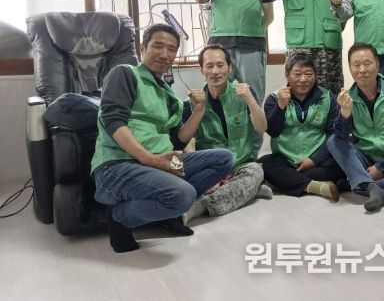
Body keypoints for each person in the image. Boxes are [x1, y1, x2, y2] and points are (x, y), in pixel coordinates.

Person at [91, 24, 233, 253]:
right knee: (183, 194)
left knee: (223, 159)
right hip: (120, 164)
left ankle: (169, 212)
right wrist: (151, 160)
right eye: (158, 46)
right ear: (142, 48)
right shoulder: (125, 74)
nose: (165, 54)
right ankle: (119, 218)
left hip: (160, 161)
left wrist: (199, 110)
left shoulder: (167, 92)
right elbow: (113, 121)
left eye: (172, 49)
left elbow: (178, 140)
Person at [193, 0, 273, 158]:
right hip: (220, 46)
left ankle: (252, 156)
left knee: (252, 100)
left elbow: (268, 13)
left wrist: (255, 30)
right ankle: (222, 152)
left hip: (251, 46)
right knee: (219, 100)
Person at [181, 44, 273, 224]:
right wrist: (203, 171)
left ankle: (201, 206)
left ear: (229, 67)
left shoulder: (244, 93)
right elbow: (188, 141)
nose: (215, 71)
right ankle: (249, 190)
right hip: (211, 165)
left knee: (256, 171)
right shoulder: (191, 102)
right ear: (201, 70)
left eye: (220, 65)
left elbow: (262, 128)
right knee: (186, 181)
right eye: (209, 66)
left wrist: (251, 101)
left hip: (241, 163)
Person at [327, 43, 384, 212]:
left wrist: (381, 167)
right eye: (356, 65)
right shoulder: (347, 97)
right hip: (366, 160)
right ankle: (371, 188)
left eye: (367, 63)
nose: (362, 70)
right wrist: (344, 114)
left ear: (377, 65)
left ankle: (359, 184)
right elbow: (340, 136)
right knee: (333, 141)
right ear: (350, 69)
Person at [259, 53, 345, 201]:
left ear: (315, 75)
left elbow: (333, 134)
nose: (303, 79)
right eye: (297, 74)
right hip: (285, 159)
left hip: (317, 160)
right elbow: (273, 131)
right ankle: (315, 186)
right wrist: (280, 106)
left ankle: (283, 181)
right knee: (264, 164)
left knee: (343, 161)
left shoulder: (328, 98)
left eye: (309, 74)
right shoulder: (274, 98)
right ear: (287, 75)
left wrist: (314, 160)